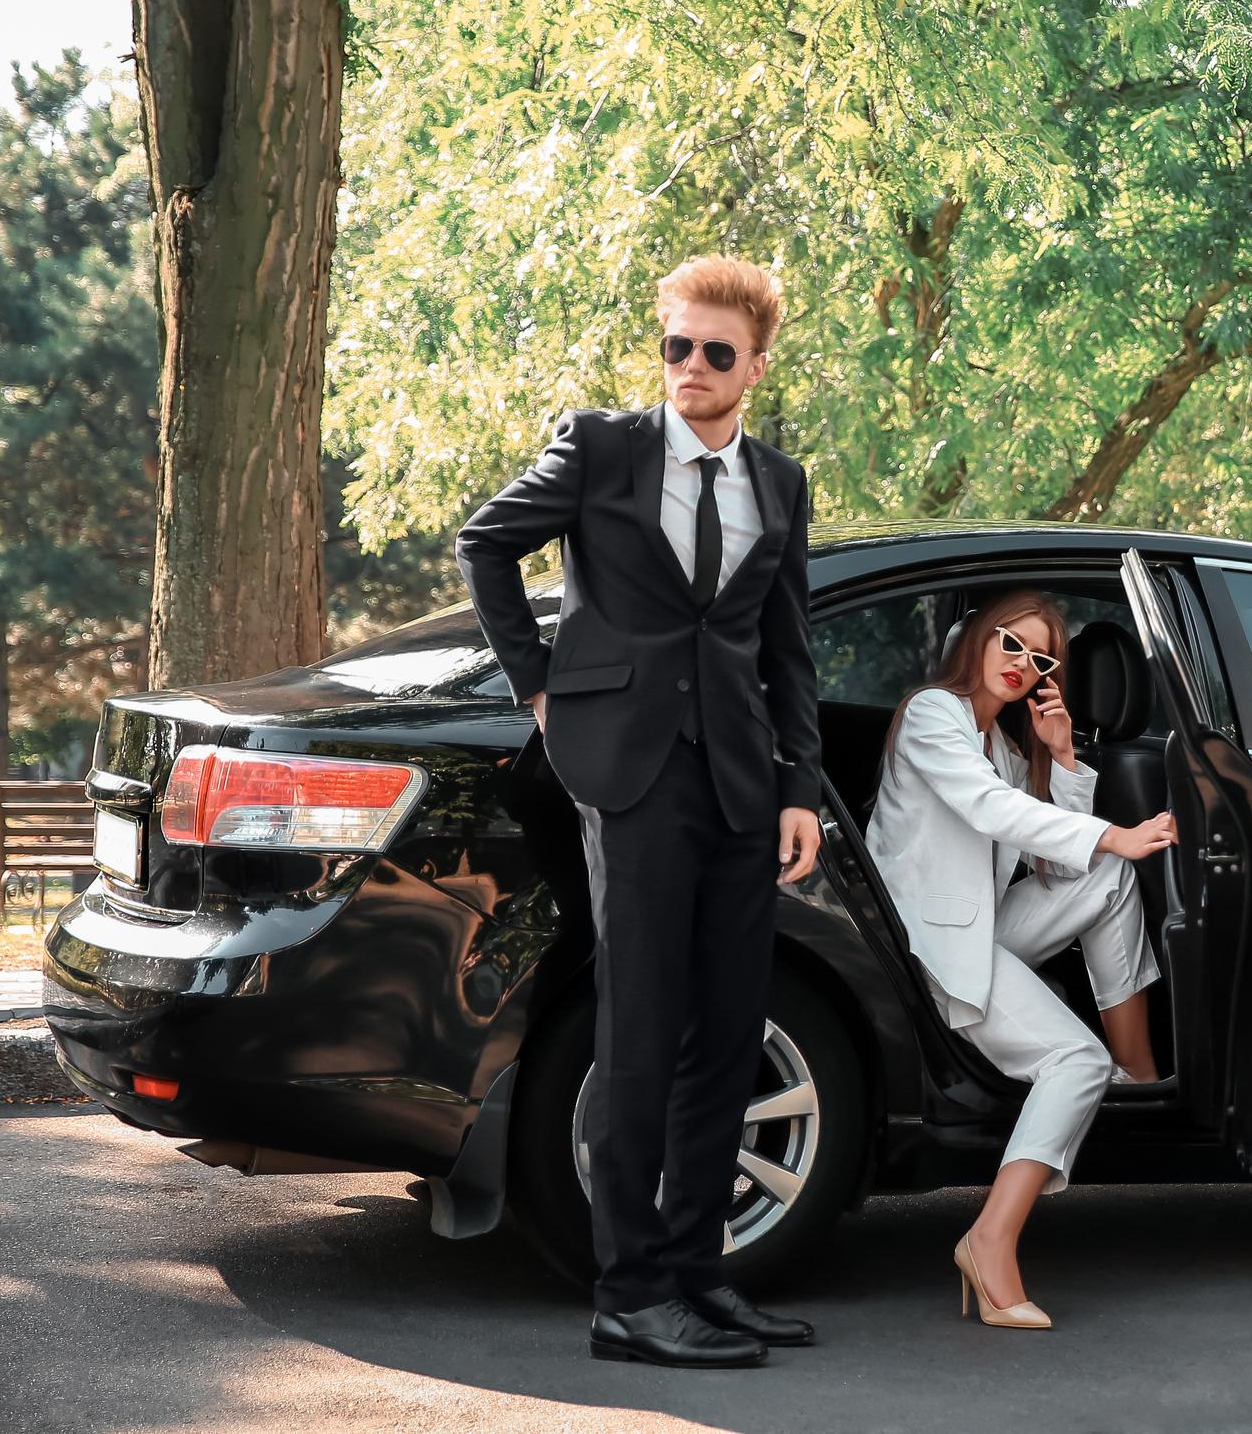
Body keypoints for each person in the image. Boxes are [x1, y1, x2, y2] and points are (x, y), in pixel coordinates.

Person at [455, 255, 823, 1370]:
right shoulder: (601, 446)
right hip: (629, 775)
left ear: (755, 365)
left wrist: (800, 783)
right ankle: (629, 1293)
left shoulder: (781, 481)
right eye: (677, 346)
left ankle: (700, 1273)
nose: (693, 367)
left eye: (717, 351)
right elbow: (486, 541)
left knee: (725, 1033)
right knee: (638, 1033)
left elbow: (787, 648)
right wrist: (538, 683)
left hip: (741, 785)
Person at [864, 590, 1175, 1330]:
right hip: (931, 942)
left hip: (978, 923)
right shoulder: (934, 714)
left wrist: (1063, 759)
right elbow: (987, 810)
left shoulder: (1004, 745)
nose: (1022, 665)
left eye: (1040, 659)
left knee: (1108, 877)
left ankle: (1139, 1070)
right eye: (1013, 644)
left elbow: (1060, 870)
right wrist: (1114, 832)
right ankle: (988, 1239)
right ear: (978, 636)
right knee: (1074, 1062)